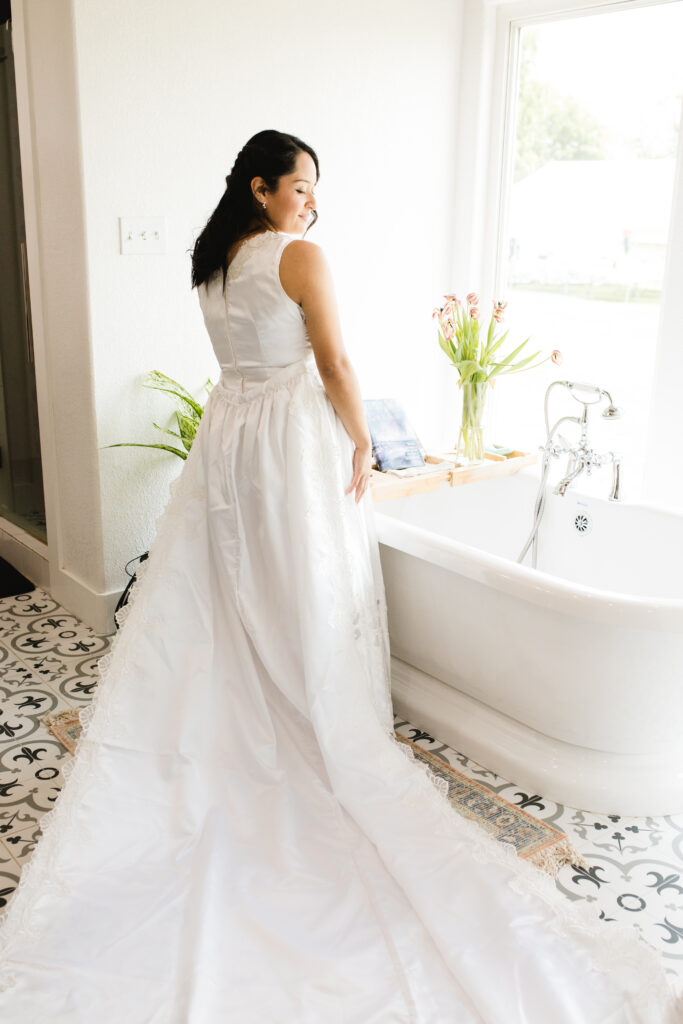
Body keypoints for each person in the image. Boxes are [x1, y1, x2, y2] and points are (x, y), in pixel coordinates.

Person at [0, 128, 679, 1023]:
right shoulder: (294, 255)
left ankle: (254, 702)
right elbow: (334, 362)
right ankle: (309, 711)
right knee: (308, 582)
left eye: (315, 187)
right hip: (287, 440)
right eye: (299, 184)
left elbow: (240, 364)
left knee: (235, 587)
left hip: (229, 443)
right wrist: (361, 438)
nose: (310, 199)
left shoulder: (217, 262)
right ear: (259, 186)